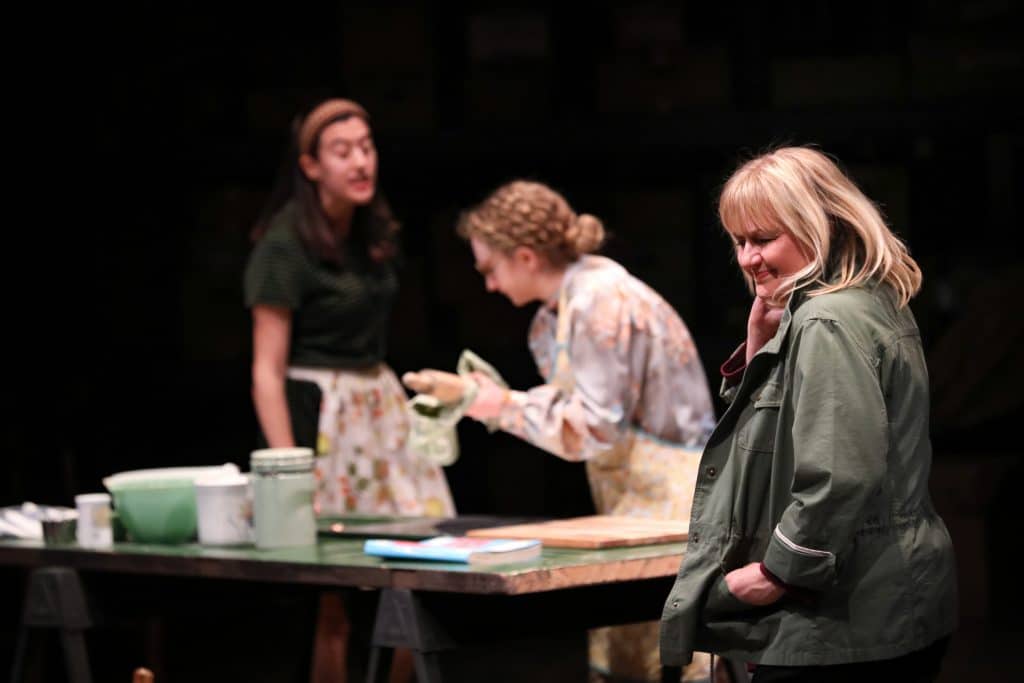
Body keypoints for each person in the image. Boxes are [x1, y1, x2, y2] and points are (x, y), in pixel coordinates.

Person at [659, 146, 957, 682]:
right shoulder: (869, 300)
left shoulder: (827, 320)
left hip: (846, 618)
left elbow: (839, 474)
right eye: (739, 241)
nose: (749, 258)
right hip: (887, 602)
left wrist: (779, 573)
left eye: (764, 238)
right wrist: (758, 345)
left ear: (819, 225)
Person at [407, 180, 716, 682]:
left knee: (672, 654)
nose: (488, 284)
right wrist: (489, 398)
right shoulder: (564, 310)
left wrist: (492, 403)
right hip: (632, 497)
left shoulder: (599, 301)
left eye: (490, 268)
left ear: (525, 256)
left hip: (674, 497)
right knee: (631, 649)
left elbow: (592, 428)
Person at [243, 98, 454, 682]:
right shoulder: (284, 245)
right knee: (333, 591)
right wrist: (288, 468)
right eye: (342, 152)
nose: (360, 162)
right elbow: (266, 369)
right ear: (311, 166)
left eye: (366, 147)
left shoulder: (373, 230)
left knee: (420, 566)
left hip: (376, 404)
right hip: (319, 412)